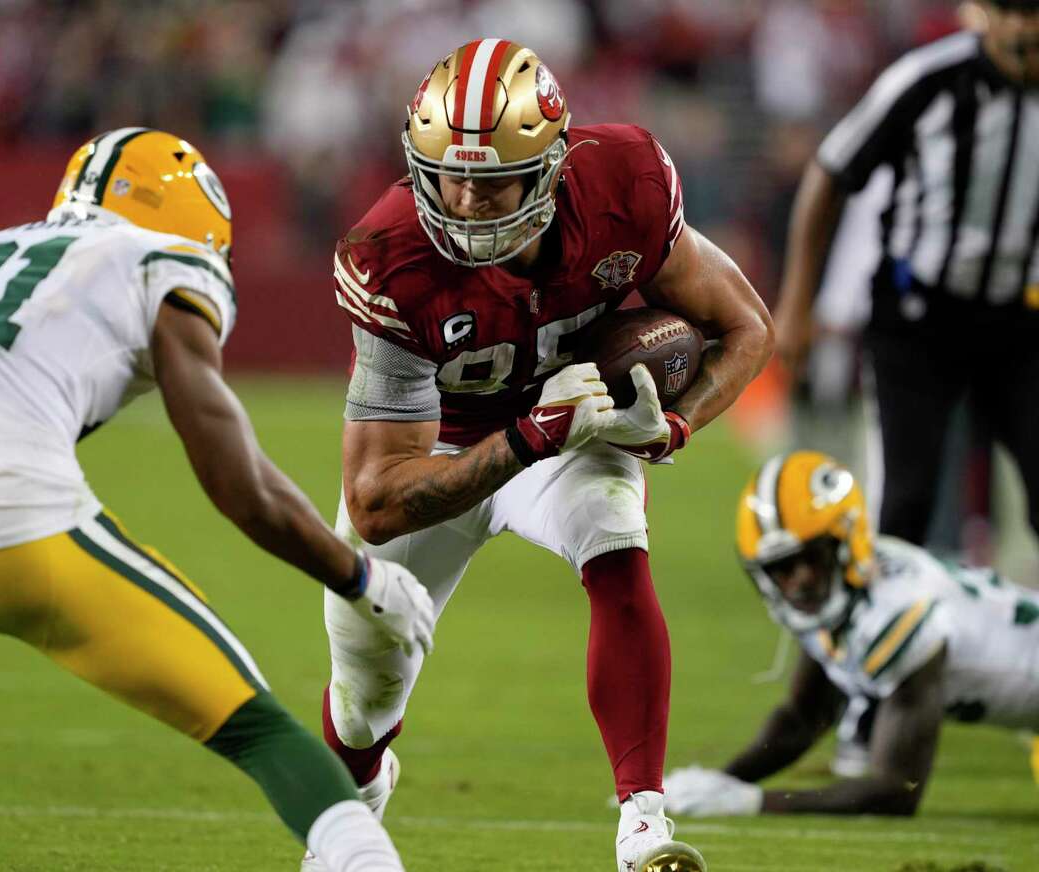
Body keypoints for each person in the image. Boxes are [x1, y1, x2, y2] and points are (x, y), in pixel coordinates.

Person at [0, 127, 438, 872]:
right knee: (258, 728)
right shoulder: (158, 260)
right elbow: (238, 483)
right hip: (15, 536)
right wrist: (359, 577)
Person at [309, 39, 773, 872]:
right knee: (362, 696)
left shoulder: (625, 184)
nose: (464, 199)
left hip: (574, 417)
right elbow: (376, 497)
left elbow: (746, 328)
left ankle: (643, 826)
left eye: (491, 183)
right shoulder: (386, 254)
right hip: (441, 449)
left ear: (553, 168)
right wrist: (529, 436)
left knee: (614, 532)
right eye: (447, 174)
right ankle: (360, 800)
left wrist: (674, 427)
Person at [774, 1, 1039, 547]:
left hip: (1019, 321)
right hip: (919, 321)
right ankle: (884, 628)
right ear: (987, 13)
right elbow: (830, 171)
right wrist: (797, 304)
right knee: (905, 503)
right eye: (1012, 11)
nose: (1022, 27)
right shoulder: (927, 79)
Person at [663, 450, 1039, 817]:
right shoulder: (849, 591)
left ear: (847, 542)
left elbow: (896, 790)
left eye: (811, 559)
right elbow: (804, 718)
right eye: (782, 568)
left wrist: (753, 802)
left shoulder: (898, 611)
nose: (799, 581)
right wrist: (717, 783)